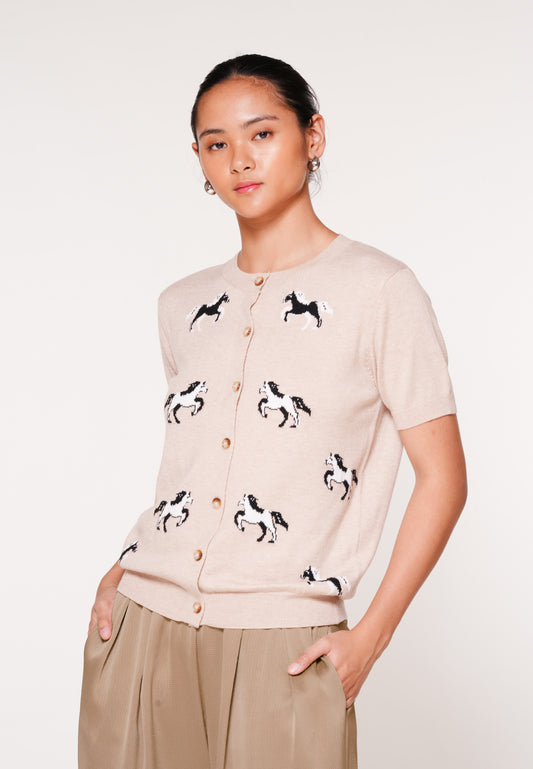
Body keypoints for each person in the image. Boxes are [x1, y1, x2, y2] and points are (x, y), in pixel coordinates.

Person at [77, 53, 467, 769]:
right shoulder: (180, 304)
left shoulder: (381, 291)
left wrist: (370, 638)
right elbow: (192, 468)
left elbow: (443, 479)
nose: (239, 159)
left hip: (282, 645)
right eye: (215, 143)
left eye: (261, 133)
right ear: (198, 159)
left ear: (312, 136)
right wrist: (119, 572)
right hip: (142, 625)